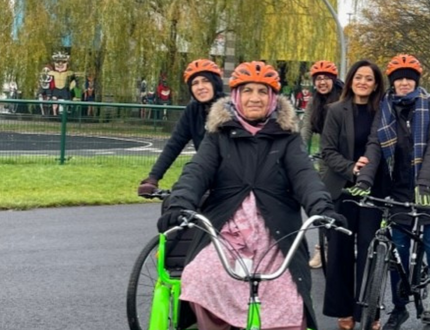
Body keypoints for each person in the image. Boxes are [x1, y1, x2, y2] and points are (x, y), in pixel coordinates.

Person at [157, 61, 347, 330]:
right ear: (236, 96)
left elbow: (306, 177)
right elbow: (197, 171)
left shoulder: (287, 138)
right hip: (226, 230)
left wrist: (323, 208)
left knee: (288, 298)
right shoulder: (218, 135)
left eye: (262, 91)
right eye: (247, 91)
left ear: (272, 98)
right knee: (201, 277)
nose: (254, 98)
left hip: (276, 233)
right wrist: (180, 202)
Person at [348, 54, 430, 330]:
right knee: (397, 249)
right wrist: (364, 179)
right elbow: (374, 144)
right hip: (400, 190)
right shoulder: (385, 108)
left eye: (409, 77)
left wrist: (424, 182)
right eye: (399, 79)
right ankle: (399, 309)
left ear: (416, 80)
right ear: (393, 83)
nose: (405, 82)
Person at [320, 60, 386, 330]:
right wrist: (351, 168)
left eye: (369, 79)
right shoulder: (335, 110)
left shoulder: (383, 111)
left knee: (372, 253)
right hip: (342, 189)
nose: (363, 82)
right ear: (350, 81)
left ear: (376, 84)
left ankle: (371, 312)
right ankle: (343, 311)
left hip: (374, 190)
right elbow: (328, 151)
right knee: (339, 253)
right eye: (358, 77)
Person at [137, 59, 225, 196]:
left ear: (215, 83)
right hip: (203, 176)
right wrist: (153, 178)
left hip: (229, 183)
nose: (200, 87)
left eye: (205, 81)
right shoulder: (193, 110)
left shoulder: (229, 109)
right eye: (195, 83)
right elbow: (174, 144)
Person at [301, 60, 344, 268]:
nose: (322, 82)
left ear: (333, 80)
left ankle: (348, 244)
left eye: (326, 78)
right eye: (318, 79)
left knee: (349, 202)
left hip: (347, 157)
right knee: (324, 202)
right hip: (326, 160)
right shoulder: (314, 102)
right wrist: (299, 153)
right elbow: (305, 129)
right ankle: (322, 248)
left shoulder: (344, 98)